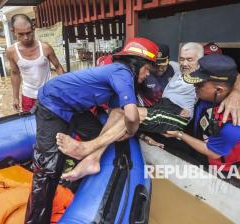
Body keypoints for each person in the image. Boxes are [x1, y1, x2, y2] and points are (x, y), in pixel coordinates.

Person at [55, 43, 240, 180]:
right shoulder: (181, 70)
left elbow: (236, 77)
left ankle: (88, 149)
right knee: (117, 112)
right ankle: (93, 159)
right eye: (182, 59)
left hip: (209, 151)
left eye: (190, 59)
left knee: (130, 113)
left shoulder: (231, 116)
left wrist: (236, 93)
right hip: (171, 112)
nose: (185, 64)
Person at [24, 37, 158, 224]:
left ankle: (88, 161)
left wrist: (125, 128)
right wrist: (132, 130)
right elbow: (132, 115)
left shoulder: (117, 76)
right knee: (48, 168)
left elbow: (117, 113)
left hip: (76, 108)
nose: (145, 76)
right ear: (139, 64)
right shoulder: (122, 71)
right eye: (147, 70)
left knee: (99, 135)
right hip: (53, 102)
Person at [164, 54, 240, 172]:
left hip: (217, 164)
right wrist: (237, 92)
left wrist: (179, 135)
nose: (194, 85)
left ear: (219, 90)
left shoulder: (232, 124)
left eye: (199, 84)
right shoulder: (219, 92)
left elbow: (213, 153)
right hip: (202, 137)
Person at [6, 14, 65, 112]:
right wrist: (15, 98)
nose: (26, 37)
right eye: (21, 34)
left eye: (28, 33)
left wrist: (64, 88)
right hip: (28, 97)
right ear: (13, 31)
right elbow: (15, 74)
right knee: (31, 123)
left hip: (48, 94)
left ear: (33, 28)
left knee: (54, 123)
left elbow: (58, 67)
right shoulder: (11, 51)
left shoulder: (45, 48)